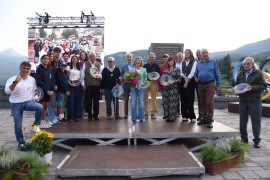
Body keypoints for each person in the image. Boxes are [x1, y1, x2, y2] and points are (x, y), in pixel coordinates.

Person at [5, 61, 42, 146]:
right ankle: (20, 141)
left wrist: (35, 97)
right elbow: (7, 91)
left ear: (29, 70)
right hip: (16, 104)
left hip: (28, 102)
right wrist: (15, 83)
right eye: (24, 68)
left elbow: (34, 90)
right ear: (20, 68)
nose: (25, 70)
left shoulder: (32, 79)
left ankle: (36, 126)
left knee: (39, 107)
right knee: (18, 124)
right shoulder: (12, 79)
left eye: (27, 69)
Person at [233, 57, 267, 148]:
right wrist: (235, 89)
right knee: (242, 121)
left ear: (252, 64)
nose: (246, 65)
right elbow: (237, 85)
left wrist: (253, 88)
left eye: (248, 64)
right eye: (245, 64)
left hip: (255, 101)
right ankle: (244, 139)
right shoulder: (240, 74)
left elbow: (264, 85)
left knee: (256, 122)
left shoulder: (258, 73)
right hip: (243, 101)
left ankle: (257, 140)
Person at [195, 48, 221, 128]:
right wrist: (195, 77)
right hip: (201, 85)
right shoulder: (198, 63)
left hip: (210, 84)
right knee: (202, 102)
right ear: (201, 55)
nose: (205, 54)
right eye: (203, 53)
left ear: (208, 54)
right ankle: (205, 117)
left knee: (209, 102)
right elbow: (196, 74)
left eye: (206, 52)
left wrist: (218, 85)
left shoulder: (213, 62)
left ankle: (210, 120)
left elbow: (217, 74)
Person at [36, 54, 55, 128]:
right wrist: (46, 90)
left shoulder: (50, 69)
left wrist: (52, 90)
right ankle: (40, 121)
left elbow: (53, 79)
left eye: (47, 59)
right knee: (42, 106)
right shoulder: (39, 69)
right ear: (41, 60)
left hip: (49, 91)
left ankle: (44, 121)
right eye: (44, 59)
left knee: (46, 106)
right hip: (42, 91)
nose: (46, 60)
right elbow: (39, 81)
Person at [81, 51, 102, 120]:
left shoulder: (99, 64)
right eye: (91, 56)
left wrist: (100, 77)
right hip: (88, 85)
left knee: (96, 101)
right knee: (88, 101)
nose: (92, 57)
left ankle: (96, 115)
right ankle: (89, 115)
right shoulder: (85, 64)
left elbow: (101, 74)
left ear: (95, 57)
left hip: (96, 85)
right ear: (89, 57)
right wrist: (83, 84)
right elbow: (82, 75)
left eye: (93, 56)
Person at [179, 49, 197, 121]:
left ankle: (192, 116)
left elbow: (193, 72)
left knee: (190, 99)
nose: (186, 53)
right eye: (185, 52)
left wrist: (187, 80)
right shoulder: (182, 62)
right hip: (183, 80)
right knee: (183, 99)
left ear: (190, 53)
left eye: (188, 52)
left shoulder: (194, 62)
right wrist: (184, 77)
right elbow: (180, 72)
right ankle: (184, 115)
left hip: (190, 81)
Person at [163, 56, 181, 122]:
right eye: (169, 61)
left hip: (174, 88)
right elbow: (163, 78)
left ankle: (172, 117)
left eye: (172, 60)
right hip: (166, 88)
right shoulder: (165, 70)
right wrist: (164, 82)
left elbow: (179, 79)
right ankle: (167, 117)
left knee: (173, 102)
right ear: (168, 62)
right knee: (166, 102)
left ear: (174, 61)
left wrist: (174, 81)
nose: (170, 62)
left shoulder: (177, 69)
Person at [143, 52, 160, 119]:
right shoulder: (144, 66)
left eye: (152, 57)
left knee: (153, 98)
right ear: (148, 58)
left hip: (154, 83)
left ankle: (153, 113)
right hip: (146, 82)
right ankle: (146, 113)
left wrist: (155, 79)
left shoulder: (157, 66)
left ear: (154, 58)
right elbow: (143, 75)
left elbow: (158, 75)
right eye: (150, 57)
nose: (151, 58)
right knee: (145, 98)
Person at [130, 57, 147, 122]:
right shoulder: (131, 70)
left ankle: (141, 117)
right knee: (133, 103)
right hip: (133, 88)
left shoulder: (144, 69)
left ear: (141, 62)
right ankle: (134, 118)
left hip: (141, 88)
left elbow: (145, 77)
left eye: (139, 61)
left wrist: (145, 81)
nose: (137, 62)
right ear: (135, 62)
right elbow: (129, 78)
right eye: (136, 61)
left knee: (141, 102)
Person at [67, 55, 83, 121]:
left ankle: (77, 116)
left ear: (77, 60)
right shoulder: (68, 67)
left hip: (78, 86)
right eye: (73, 59)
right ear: (71, 60)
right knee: (71, 101)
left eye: (76, 59)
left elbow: (81, 77)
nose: (74, 60)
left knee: (78, 101)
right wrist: (69, 83)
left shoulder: (79, 68)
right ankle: (71, 117)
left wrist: (81, 83)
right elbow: (67, 77)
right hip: (71, 85)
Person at [121, 52, 134, 119]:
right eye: (128, 57)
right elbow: (121, 76)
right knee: (126, 100)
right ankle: (126, 114)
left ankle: (133, 114)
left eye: (130, 57)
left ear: (132, 58)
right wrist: (124, 78)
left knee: (133, 100)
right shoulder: (123, 67)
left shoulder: (134, 66)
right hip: (126, 86)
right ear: (126, 58)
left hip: (134, 86)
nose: (129, 58)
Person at [158, 54, 169, 119]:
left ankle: (172, 113)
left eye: (166, 57)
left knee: (170, 100)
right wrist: (159, 86)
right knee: (164, 101)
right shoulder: (161, 67)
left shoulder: (172, 66)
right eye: (164, 58)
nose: (165, 59)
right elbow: (159, 77)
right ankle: (166, 114)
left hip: (171, 86)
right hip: (163, 87)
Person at [195, 49, 203, 121]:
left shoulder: (204, 61)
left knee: (206, 100)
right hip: (197, 83)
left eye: (199, 53)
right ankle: (200, 115)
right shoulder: (195, 62)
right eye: (197, 53)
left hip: (205, 83)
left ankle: (207, 115)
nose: (198, 54)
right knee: (200, 100)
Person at [176, 52, 184, 116]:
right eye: (178, 57)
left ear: (182, 57)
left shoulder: (184, 64)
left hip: (182, 81)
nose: (179, 58)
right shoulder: (175, 64)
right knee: (176, 97)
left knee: (182, 97)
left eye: (180, 57)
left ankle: (183, 111)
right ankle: (177, 111)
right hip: (176, 82)